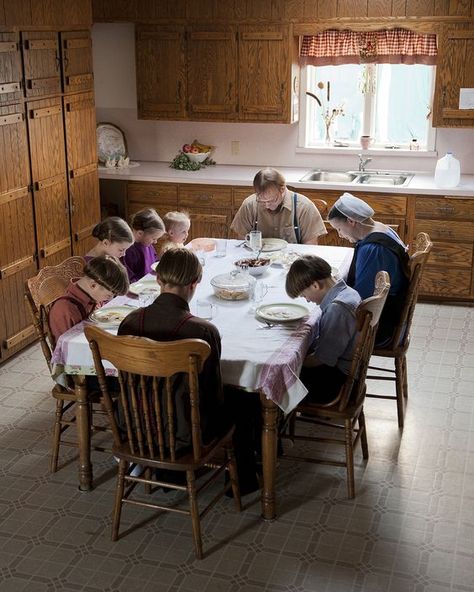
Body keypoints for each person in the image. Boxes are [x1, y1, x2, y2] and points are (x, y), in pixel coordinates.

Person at [117, 248, 227, 450]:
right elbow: (213, 393)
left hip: (134, 426)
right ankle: (248, 478)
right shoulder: (203, 331)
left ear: (158, 279)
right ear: (194, 283)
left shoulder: (129, 322)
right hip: (186, 432)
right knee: (247, 402)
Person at [327, 192, 409, 346]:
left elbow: (360, 298)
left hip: (381, 324)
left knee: (320, 322)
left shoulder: (373, 248)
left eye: (339, 229)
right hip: (392, 312)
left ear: (351, 221)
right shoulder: (382, 228)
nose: (340, 235)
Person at [286, 255, 361, 403]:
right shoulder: (349, 292)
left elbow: (323, 359)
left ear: (315, 285)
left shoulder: (337, 309)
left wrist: (293, 366)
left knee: (275, 379)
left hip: (336, 384)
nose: (307, 300)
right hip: (349, 372)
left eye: (304, 295)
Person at [230, 168, 326, 244]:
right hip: (257, 262)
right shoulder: (249, 205)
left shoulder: (305, 208)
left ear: (282, 189)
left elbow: (310, 248)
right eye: (262, 200)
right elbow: (241, 243)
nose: (267, 205)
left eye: (272, 200)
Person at [49, 255, 130, 343]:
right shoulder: (65, 310)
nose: (109, 299)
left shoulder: (92, 295)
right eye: (108, 295)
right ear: (93, 285)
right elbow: (68, 348)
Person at [124, 208, 165, 281]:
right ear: (140, 233)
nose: (155, 242)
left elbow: (155, 262)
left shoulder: (148, 245)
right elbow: (128, 278)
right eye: (153, 238)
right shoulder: (128, 250)